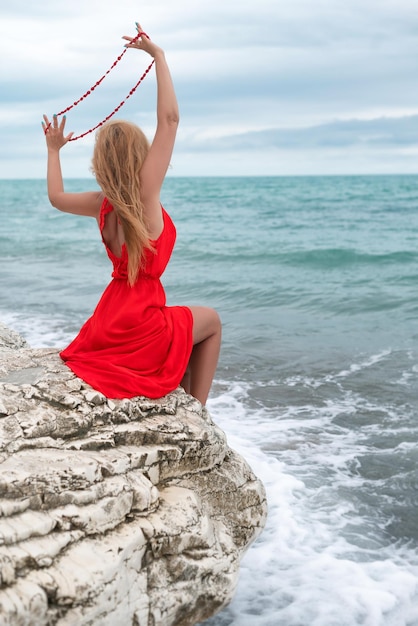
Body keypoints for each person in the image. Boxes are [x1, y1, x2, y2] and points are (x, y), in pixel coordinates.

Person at [42, 23, 221, 406]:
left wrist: (54, 150)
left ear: (101, 162)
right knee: (211, 322)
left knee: (183, 326)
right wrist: (158, 56)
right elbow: (170, 121)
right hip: (142, 323)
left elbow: (56, 197)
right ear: (140, 155)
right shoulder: (146, 193)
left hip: (109, 321)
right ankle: (198, 410)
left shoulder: (100, 204)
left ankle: (186, 401)